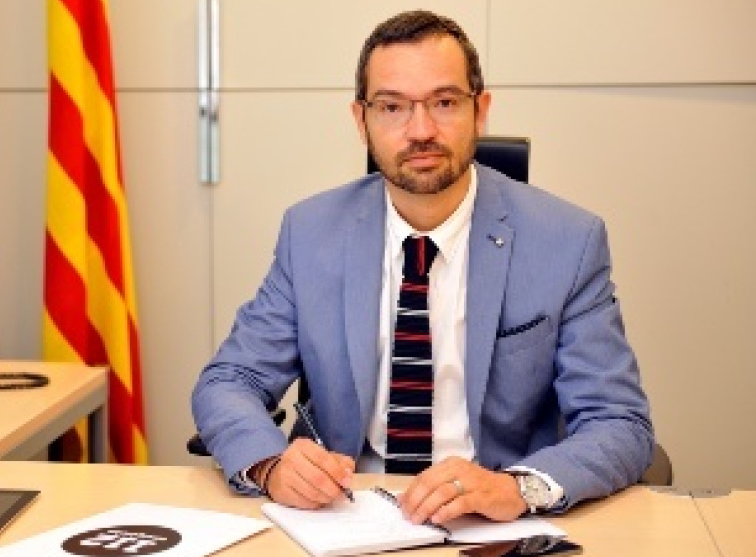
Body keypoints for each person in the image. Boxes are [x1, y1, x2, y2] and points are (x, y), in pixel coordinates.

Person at [191, 10, 652, 525]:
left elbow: (619, 423)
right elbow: (229, 381)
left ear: (481, 111)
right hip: (345, 513)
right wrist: (270, 465)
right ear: (361, 120)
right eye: (392, 107)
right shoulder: (311, 233)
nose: (421, 130)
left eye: (445, 102)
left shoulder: (567, 241)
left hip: (491, 521)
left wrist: (519, 488)